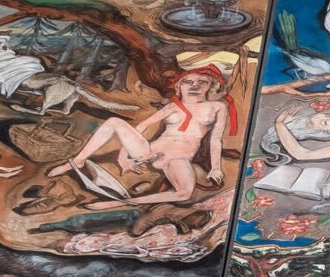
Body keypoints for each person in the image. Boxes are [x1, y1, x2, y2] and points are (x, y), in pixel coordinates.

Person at [69, 67, 234, 201]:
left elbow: (216, 139)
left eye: (202, 82)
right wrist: (123, 157)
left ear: (211, 86)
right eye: (188, 81)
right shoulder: (172, 107)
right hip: (148, 151)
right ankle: (79, 160)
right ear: (179, 86)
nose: (194, 86)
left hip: (178, 158)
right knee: (114, 121)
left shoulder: (217, 107)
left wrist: (216, 168)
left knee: (184, 193)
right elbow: (143, 125)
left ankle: (124, 203)